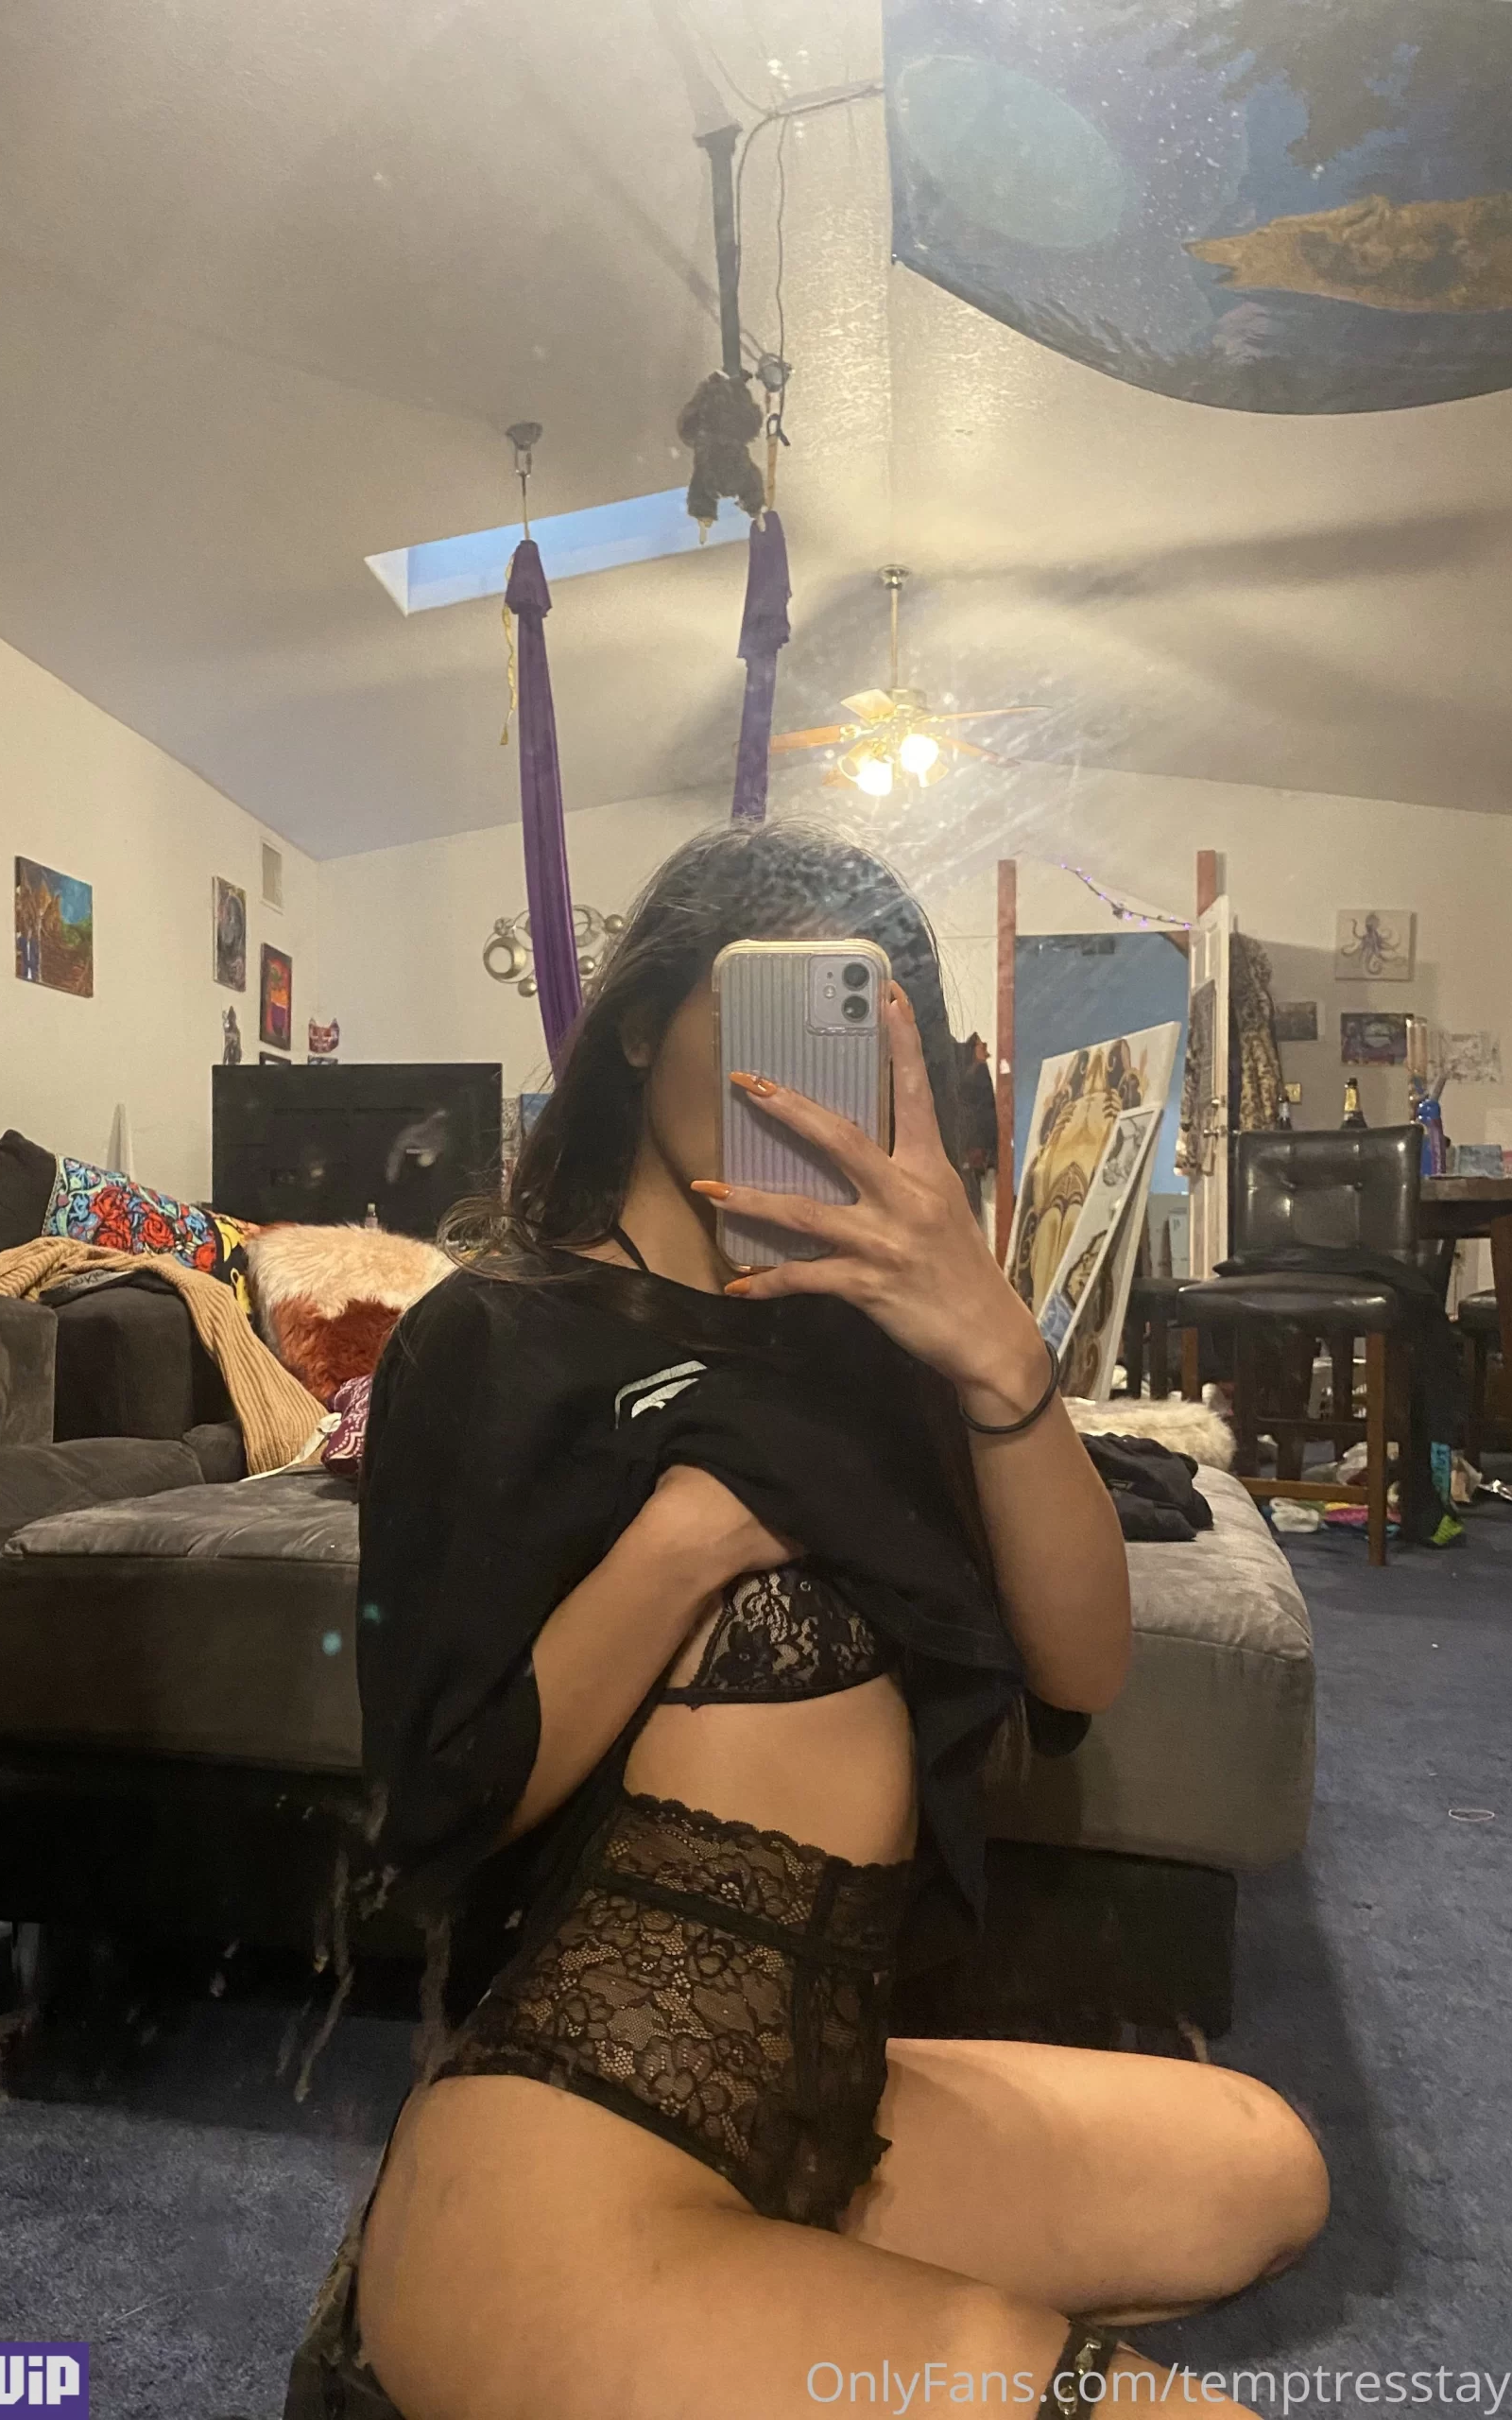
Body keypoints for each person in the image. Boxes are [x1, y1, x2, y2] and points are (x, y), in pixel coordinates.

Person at [288, 821, 1327, 2420]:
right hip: (574, 2131)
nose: (797, 1084)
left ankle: (764, 2297)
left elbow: (1081, 1668)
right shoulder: (492, 1338)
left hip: (828, 2104)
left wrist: (998, 1350)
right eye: (767, 1011)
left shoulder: (875, 1346)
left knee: (1268, 2168)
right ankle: (496, 2321)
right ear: (642, 1027)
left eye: (853, 1035)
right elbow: (437, 1797)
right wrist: (693, 1534)